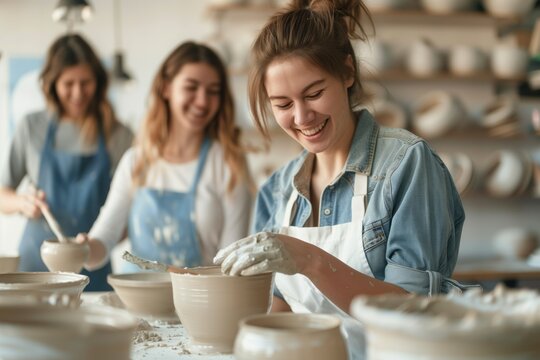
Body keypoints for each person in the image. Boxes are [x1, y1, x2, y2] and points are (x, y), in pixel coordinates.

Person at [213, 1, 469, 358]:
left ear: (347, 72)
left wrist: (311, 260)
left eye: (314, 93)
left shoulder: (406, 164)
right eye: (283, 104)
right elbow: (280, 306)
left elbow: (412, 309)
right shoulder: (278, 189)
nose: (302, 117)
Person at [77, 41, 253, 273]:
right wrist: (81, 250)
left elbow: (230, 267)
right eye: (191, 87)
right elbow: (102, 243)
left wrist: (180, 277)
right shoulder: (136, 162)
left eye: (213, 91)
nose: (202, 101)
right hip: (136, 303)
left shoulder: (228, 165)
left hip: (201, 303)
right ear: (166, 88)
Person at [0, 34, 133, 291]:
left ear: (98, 82)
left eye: (85, 82)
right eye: (68, 83)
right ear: (52, 83)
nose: (77, 93)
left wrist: (103, 241)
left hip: (91, 268)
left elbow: (129, 212)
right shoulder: (32, 127)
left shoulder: (118, 135)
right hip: (35, 266)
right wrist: (21, 203)